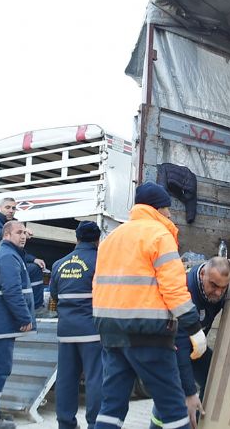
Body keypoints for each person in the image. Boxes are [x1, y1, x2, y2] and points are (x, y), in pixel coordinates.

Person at [92, 182, 206, 429]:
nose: (170, 214)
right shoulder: (159, 235)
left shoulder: (111, 238)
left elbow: (98, 286)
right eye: (168, 209)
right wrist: (194, 328)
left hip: (111, 333)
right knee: (173, 408)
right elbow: (173, 288)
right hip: (149, 334)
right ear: (161, 209)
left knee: (111, 407)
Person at [149, 256, 230, 429]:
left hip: (194, 347)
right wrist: (189, 392)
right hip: (170, 348)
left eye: (223, 288)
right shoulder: (185, 293)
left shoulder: (218, 292)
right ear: (202, 274)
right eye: (214, 285)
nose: (218, 292)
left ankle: (198, 422)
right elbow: (181, 348)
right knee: (172, 390)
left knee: (214, 374)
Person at [0, 198, 47, 371]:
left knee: (34, 269)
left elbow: (16, 250)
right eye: (7, 207)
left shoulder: (9, 231)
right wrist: (18, 230)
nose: (11, 210)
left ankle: (36, 307)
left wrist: (34, 259)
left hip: (0, 278)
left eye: (14, 208)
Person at [0, 220, 37, 429]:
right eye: (18, 232)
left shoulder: (7, 255)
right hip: (0, 325)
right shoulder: (8, 257)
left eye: (24, 233)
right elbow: (12, 290)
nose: (23, 236)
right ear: (6, 235)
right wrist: (24, 318)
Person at [50, 221, 103, 429]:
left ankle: (65, 423)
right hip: (92, 331)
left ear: (77, 238)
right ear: (98, 239)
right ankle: (95, 423)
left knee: (66, 379)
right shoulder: (101, 261)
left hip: (66, 331)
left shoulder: (59, 264)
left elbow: (55, 296)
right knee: (95, 379)